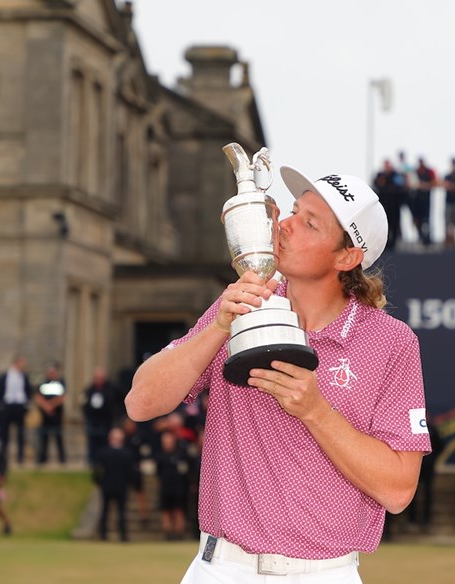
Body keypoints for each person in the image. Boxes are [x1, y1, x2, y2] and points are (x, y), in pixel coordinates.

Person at [125, 164, 431, 582]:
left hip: (326, 574)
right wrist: (218, 328)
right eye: (292, 211)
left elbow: (398, 490)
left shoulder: (391, 342)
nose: (284, 226)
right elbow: (140, 403)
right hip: (222, 568)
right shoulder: (241, 304)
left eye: (309, 223)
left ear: (347, 256)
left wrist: (317, 411)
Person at [93, 427, 135, 542]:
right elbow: (131, 472)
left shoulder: (103, 452)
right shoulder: (127, 453)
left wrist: (99, 482)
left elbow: (97, 471)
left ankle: (104, 534)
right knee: (117, 511)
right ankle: (122, 535)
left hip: (108, 486)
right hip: (120, 486)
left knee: (108, 511)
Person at [406, 413, 443, 533]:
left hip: (428, 468)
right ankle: (411, 521)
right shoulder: (409, 428)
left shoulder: (431, 429)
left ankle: (426, 521)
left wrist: (432, 459)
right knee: (412, 495)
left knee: (427, 493)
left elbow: (439, 446)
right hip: (414, 468)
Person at [154, 430, 189, 541]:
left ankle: (179, 534)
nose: (167, 442)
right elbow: (158, 472)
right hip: (165, 487)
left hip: (179, 487)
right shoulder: (159, 455)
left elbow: (186, 471)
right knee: (165, 511)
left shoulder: (180, 454)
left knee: (179, 510)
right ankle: (168, 535)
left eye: (169, 440)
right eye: (165, 440)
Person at [0, 356, 32, 465]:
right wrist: (1, 405)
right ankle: (4, 457)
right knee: (4, 434)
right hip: (8, 406)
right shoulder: (5, 376)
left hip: (19, 406)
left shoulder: (24, 376)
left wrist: (27, 404)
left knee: (20, 433)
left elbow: (28, 391)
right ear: (16, 363)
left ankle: (20, 458)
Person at [82, 366, 119, 465]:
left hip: (106, 421)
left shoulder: (111, 389)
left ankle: (104, 462)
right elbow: (84, 404)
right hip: (93, 421)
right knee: (92, 443)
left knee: (105, 443)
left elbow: (116, 403)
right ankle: (92, 462)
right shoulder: (89, 390)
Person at [35, 362, 66, 465]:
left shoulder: (60, 383)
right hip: (45, 416)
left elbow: (62, 397)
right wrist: (46, 406)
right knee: (44, 438)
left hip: (57, 415)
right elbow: (38, 397)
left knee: (58, 437)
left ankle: (62, 459)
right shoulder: (44, 384)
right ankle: (42, 459)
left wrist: (51, 405)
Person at [121, 417, 148, 527]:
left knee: (140, 491)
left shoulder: (138, 437)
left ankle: (144, 515)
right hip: (124, 468)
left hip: (136, 468)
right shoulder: (122, 438)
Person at [373, 159, 404, 251]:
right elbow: (376, 184)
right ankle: (384, 244)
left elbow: (400, 185)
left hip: (394, 205)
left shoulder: (395, 175)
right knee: (384, 225)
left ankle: (393, 244)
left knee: (394, 225)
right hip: (383, 206)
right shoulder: (380, 175)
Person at [412, 157, 438, 245]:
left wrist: (425, 185)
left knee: (426, 219)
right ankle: (420, 236)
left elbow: (435, 182)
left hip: (426, 199)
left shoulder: (429, 171)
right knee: (417, 219)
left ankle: (427, 238)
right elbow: (411, 183)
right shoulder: (415, 171)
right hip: (416, 199)